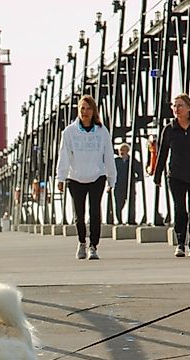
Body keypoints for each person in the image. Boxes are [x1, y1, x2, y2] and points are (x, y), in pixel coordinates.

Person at [151, 93, 190, 257]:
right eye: (174, 106)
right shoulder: (170, 129)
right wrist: (157, 176)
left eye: (180, 106)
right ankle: (180, 242)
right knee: (180, 209)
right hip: (176, 176)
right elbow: (163, 153)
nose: (176, 109)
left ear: (189, 108)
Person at [56, 95, 117, 260]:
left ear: (94, 111)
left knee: (95, 211)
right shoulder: (69, 132)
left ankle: (93, 246)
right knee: (79, 213)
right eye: (82, 108)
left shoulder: (102, 131)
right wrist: (60, 178)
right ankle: (82, 242)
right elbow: (64, 155)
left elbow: (109, 155)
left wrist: (112, 178)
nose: (85, 112)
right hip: (75, 177)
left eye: (89, 108)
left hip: (97, 175)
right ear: (78, 110)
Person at [113, 143, 144, 224]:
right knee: (118, 204)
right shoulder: (116, 161)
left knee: (131, 204)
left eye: (123, 150)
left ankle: (131, 220)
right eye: (120, 150)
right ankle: (119, 221)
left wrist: (137, 179)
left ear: (127, 151)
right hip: (118, 186)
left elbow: (140, 170)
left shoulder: (132, 161)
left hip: (130, 186)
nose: (121, 152)